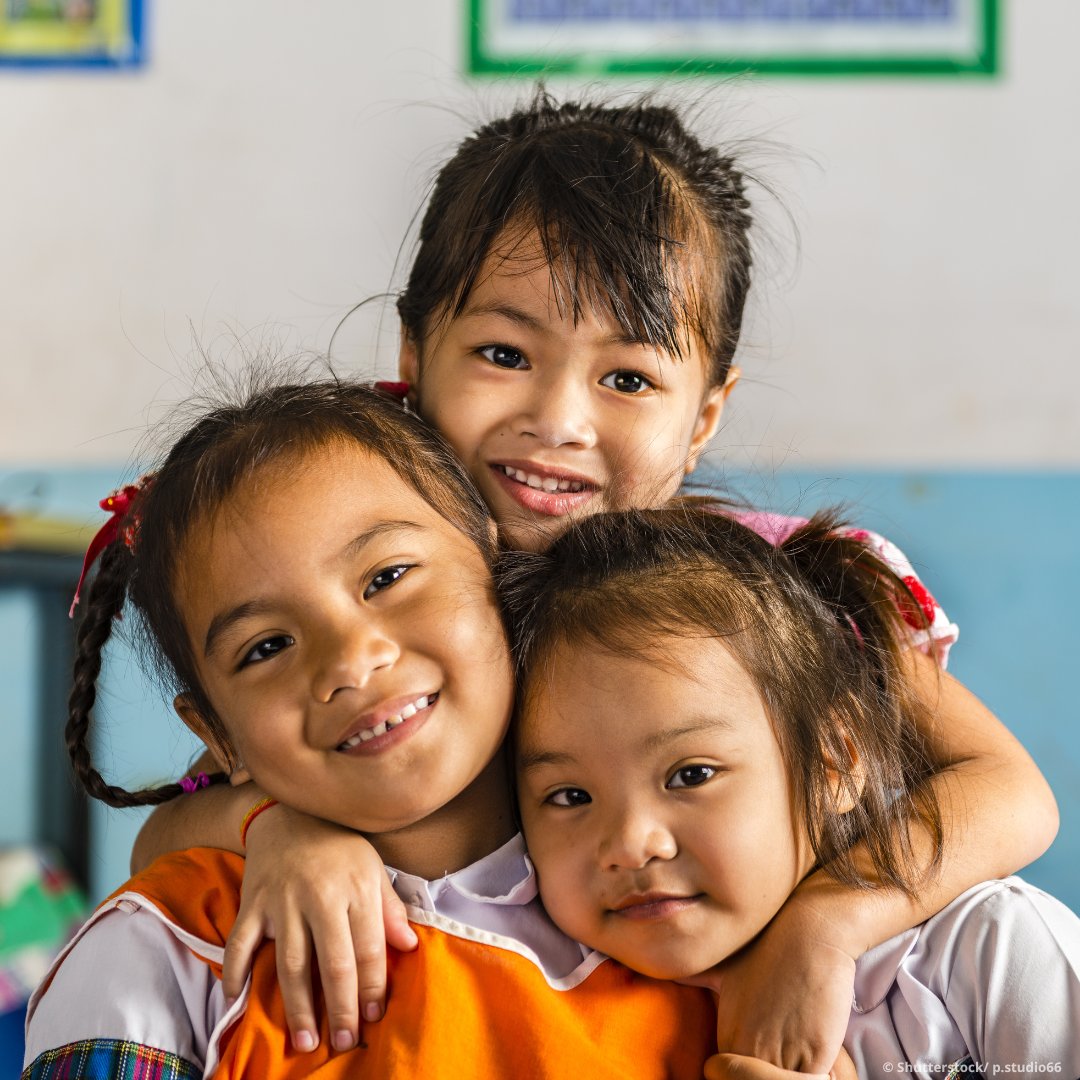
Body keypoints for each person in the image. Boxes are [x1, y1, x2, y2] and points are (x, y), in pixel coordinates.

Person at [130, 91, 1057, 1072]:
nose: (559, 418)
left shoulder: (775, 587)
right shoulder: (400, 610)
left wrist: (827, 922)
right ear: (414, 354)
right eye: (503, 354)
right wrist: (278, 832)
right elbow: (173, 833)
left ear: (704, 413)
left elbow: (1011, 793)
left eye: (627, 379)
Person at [22, 380, 722, 1079]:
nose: (350, 662)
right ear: (220, 736)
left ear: (493, 559)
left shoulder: (682, 895)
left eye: (387, 576)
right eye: (266, 647)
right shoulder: (168, 944)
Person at [504, 502, 1080, 1077]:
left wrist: (822, 928)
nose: (632, 844)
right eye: (570, 797)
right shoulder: (545, 1005)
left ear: (834, 763)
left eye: (692, 775)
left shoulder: (992, 953)